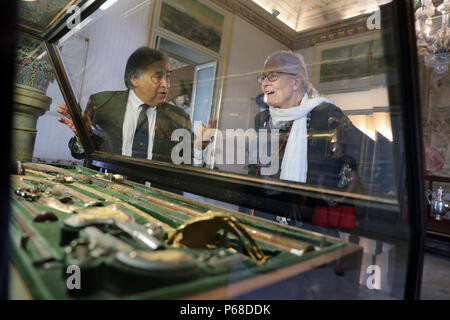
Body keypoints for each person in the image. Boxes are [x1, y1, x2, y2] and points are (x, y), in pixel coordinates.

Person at [248, 50, 366, 229]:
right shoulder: (262, 119)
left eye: (272, 76)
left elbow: (364, 157)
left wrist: (346, 180)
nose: (264, 83)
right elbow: (255, 165)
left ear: (296, 81)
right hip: (260, 212)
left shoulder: (325, 114)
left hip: (306, 220)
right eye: (262, 77)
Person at [57, 47, 193, 162]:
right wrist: (83, 135)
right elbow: (81, 154)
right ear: (134, 79)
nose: (166, 84)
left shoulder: (179, 118)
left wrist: (198, 148)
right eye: (158, 76)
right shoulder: (101, 103)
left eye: (168, 76)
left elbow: (184, 165)